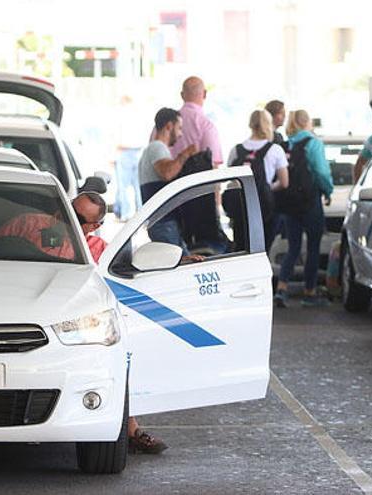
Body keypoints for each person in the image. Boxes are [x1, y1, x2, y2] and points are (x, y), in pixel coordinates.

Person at [70, 192, 169, 454]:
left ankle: (131, 429)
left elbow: (136, 270)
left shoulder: (103, 251)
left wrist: (181, 264)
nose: (68, 219)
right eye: (69, 210)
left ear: (95, 226)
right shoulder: (31, 229)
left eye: (78, 218)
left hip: (83, 324)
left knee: (124, 356)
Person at [275, 110, 333, 308]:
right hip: (310, 201)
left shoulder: (286, 145)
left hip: (289, 203)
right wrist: (328, 190)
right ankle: (309, 292)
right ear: (307, 122)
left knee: (293, 247)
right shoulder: (313, 143)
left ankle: (281, 288)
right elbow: (321, 171)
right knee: (313, 247)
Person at [226, 109, 289, 250]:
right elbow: (284, 182)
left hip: (240, 207)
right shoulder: (275, 149)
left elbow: (230, 179)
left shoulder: (236, 150)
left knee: (241, 247)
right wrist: (266, 187)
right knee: (262, 248)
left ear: (250, 124)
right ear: (268, 124)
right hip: (263, 207)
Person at [139, 108, 199, 249]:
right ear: (169, 126)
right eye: (179, 128)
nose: (180, 134)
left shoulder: (153, 149)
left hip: (162, 222)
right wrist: (186, 153)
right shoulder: (157, 147)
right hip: (164, 222)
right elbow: (167, 173)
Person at [170, 76, 224, 167]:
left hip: (166, 181)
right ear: (205, 94)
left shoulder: (163, 125)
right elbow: (212, 165)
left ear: (182, 95)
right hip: (194, 181)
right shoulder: (207, 126)